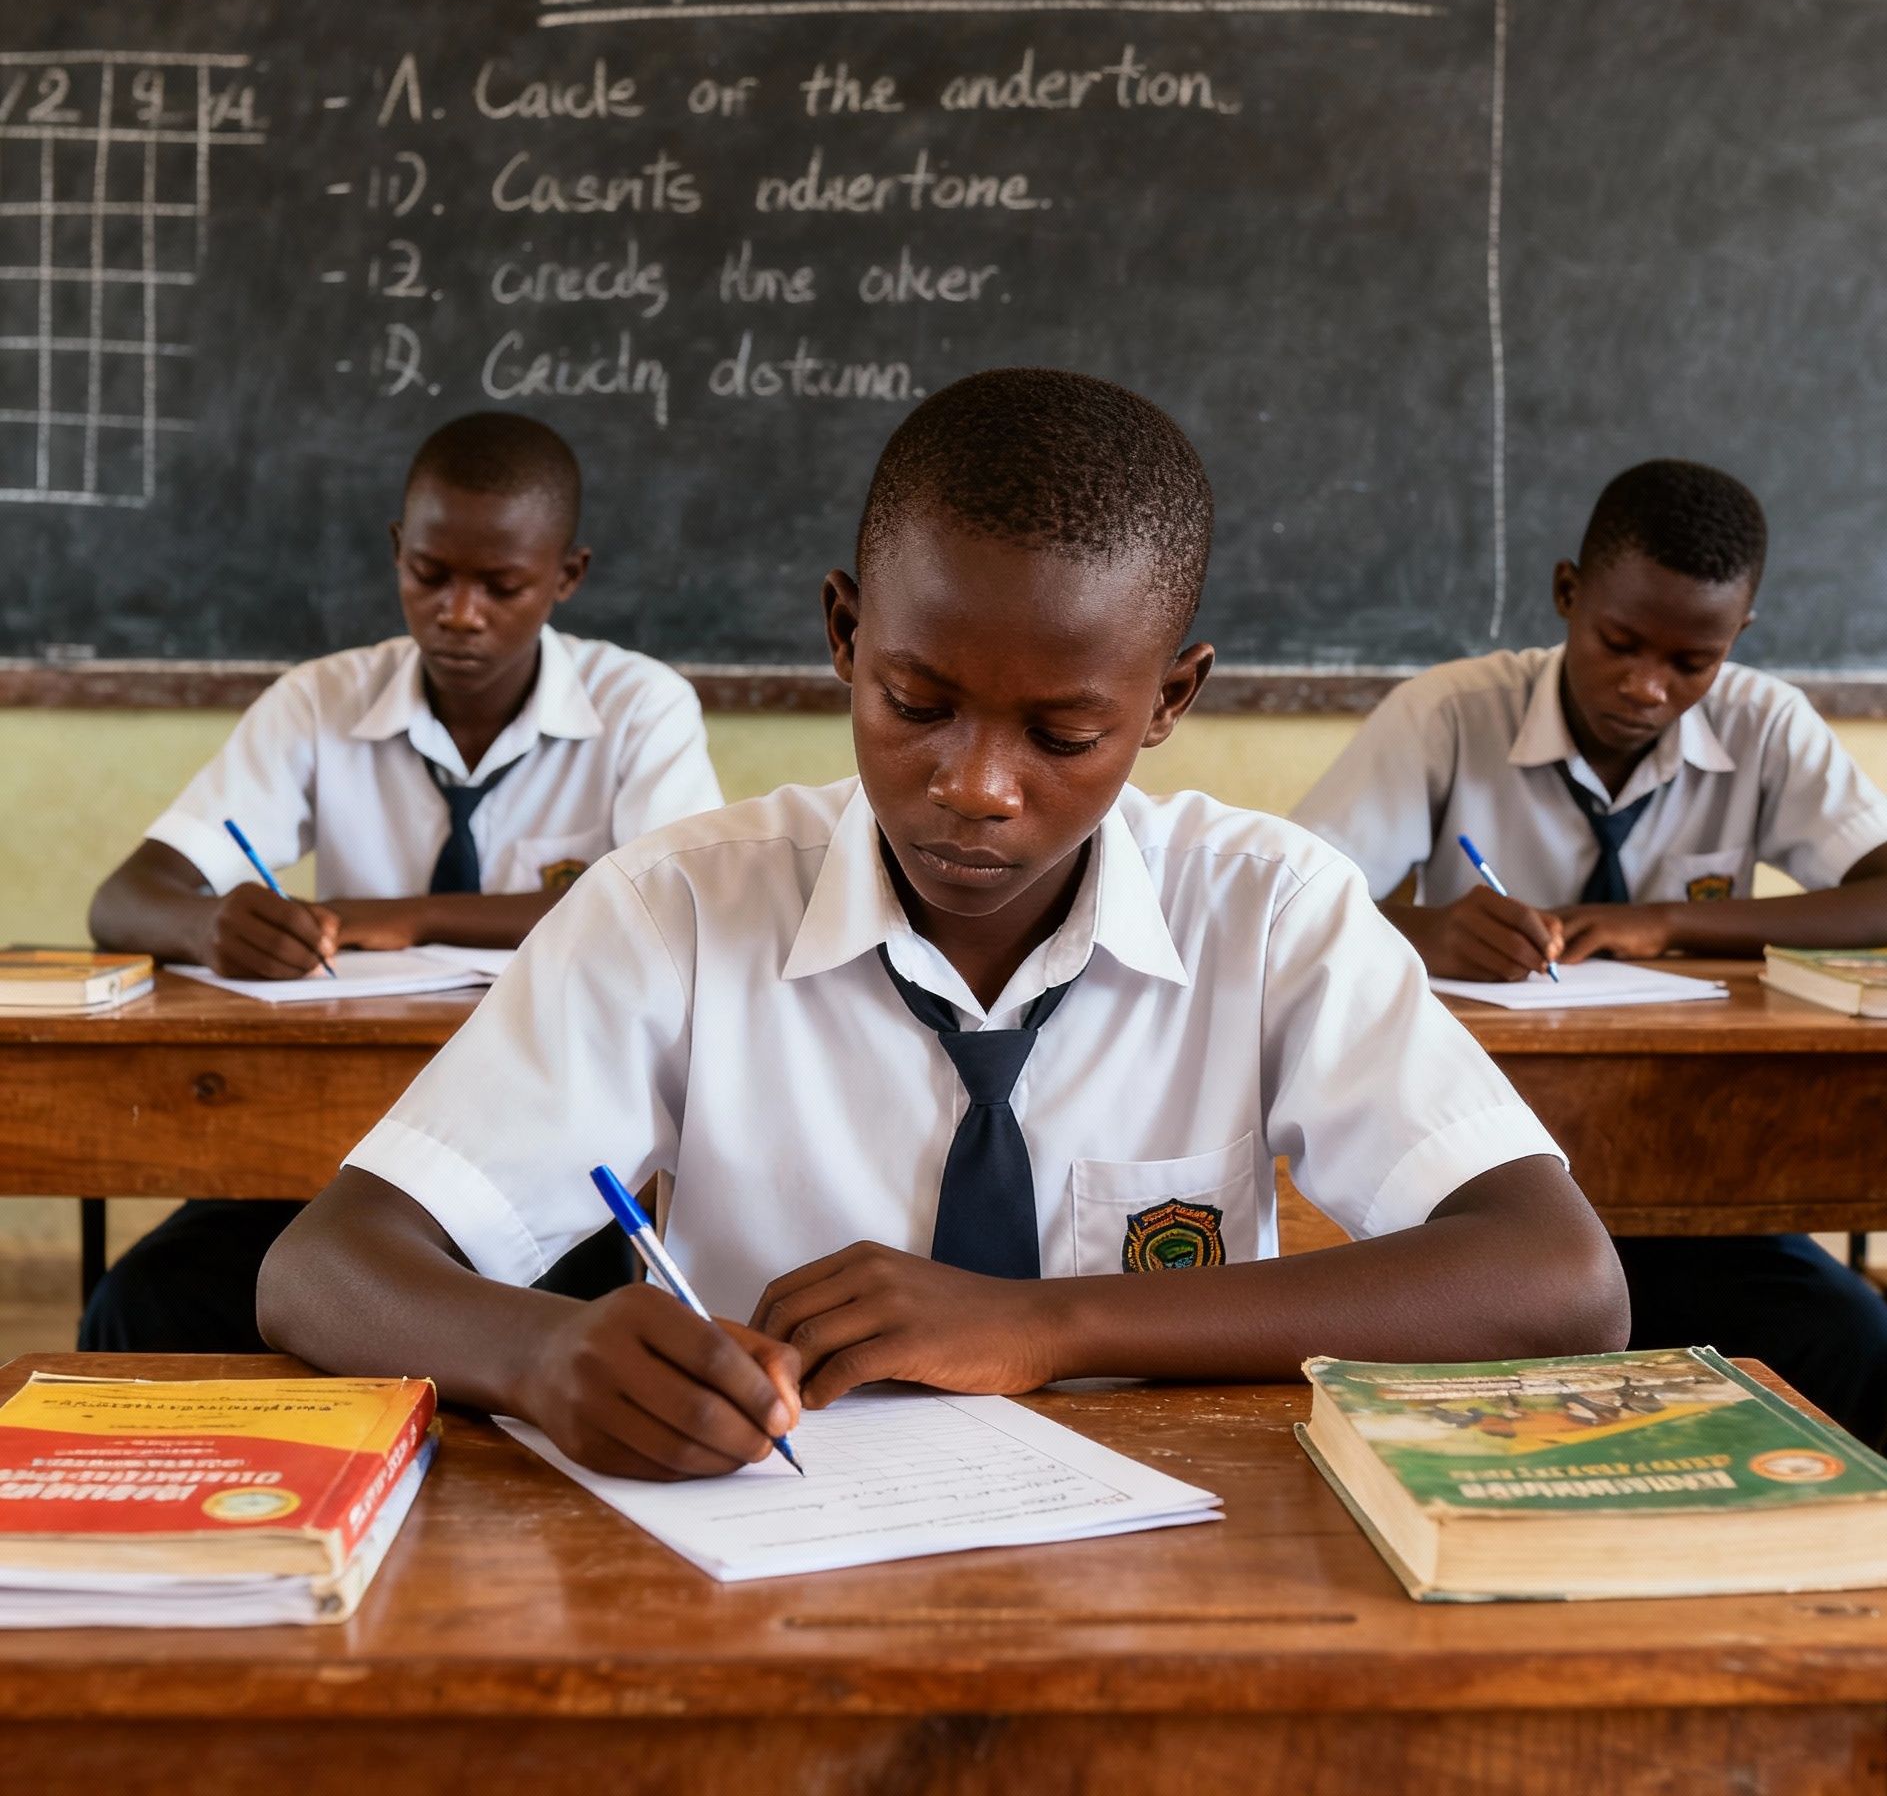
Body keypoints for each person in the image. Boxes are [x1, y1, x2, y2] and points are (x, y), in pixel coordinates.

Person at [256, 368, 1628, 1481]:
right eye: (918, 705)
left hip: (1184, 1570)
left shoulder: (1269, 912)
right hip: (775, 1553)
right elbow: (327, 1269)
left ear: (1168, 701)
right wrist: (540, 1355)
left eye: (1065, 732)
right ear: (846, 635)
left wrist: (1048, 1322)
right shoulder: (676, 910)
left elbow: (1559, 1281)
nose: (975, 785)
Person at [1293, 458, 1887, 1451]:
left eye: (1691, 661)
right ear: (1567, 594)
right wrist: (1428, 929)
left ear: (1736, 638)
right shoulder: (1444, 715)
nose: (1646, 685)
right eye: (1617, 641)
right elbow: (1290, 908)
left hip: (1694, 1180)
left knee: (1850, 1340)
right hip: (1478, 1196)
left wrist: (1667, 920)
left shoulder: (1762, 722)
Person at [84, 410, 724, 1350]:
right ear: (397, 551)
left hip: (542, 1158)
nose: (459, 613)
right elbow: (123, 900)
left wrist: (390, 919)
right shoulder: (319, 701)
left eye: (502, 586)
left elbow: (672, 911)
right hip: (327, 1153)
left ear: (566, 577)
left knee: (561, 1337)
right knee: (139, 1303)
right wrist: (209, 926)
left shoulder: (639, 709)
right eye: (430, 575)